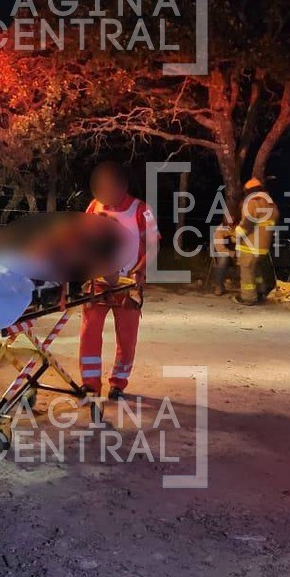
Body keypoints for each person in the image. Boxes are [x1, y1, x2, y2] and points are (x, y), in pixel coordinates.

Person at [78, 162, 159, 401]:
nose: (105, 192)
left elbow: (154, 246)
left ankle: (118, 383)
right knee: (89, 332)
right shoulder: (93, 207)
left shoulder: (142, 210)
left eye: (109, 186)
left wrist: (140, 271)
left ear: (122, 186)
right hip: (98, 283)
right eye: (101, 187)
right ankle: (90, 384)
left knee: (126, 337)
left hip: (127, 284)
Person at [233, 178, 277, 305]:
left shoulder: (253, 203)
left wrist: (234, 236)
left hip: (250, 246)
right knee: (257, 271)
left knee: (246, 271)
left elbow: (247, 223)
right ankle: (261, 292)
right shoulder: (271, 205)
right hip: (264, 246)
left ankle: (248, 297)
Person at [209, 212, 236, 296]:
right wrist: (232, 253)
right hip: (223, 252)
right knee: (223, 261)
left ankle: (257, 289)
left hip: (239, 251)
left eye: (233, 217)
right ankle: (219, 286)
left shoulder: (239, 227)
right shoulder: (220, 230)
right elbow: (220, 248)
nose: (231, 220)